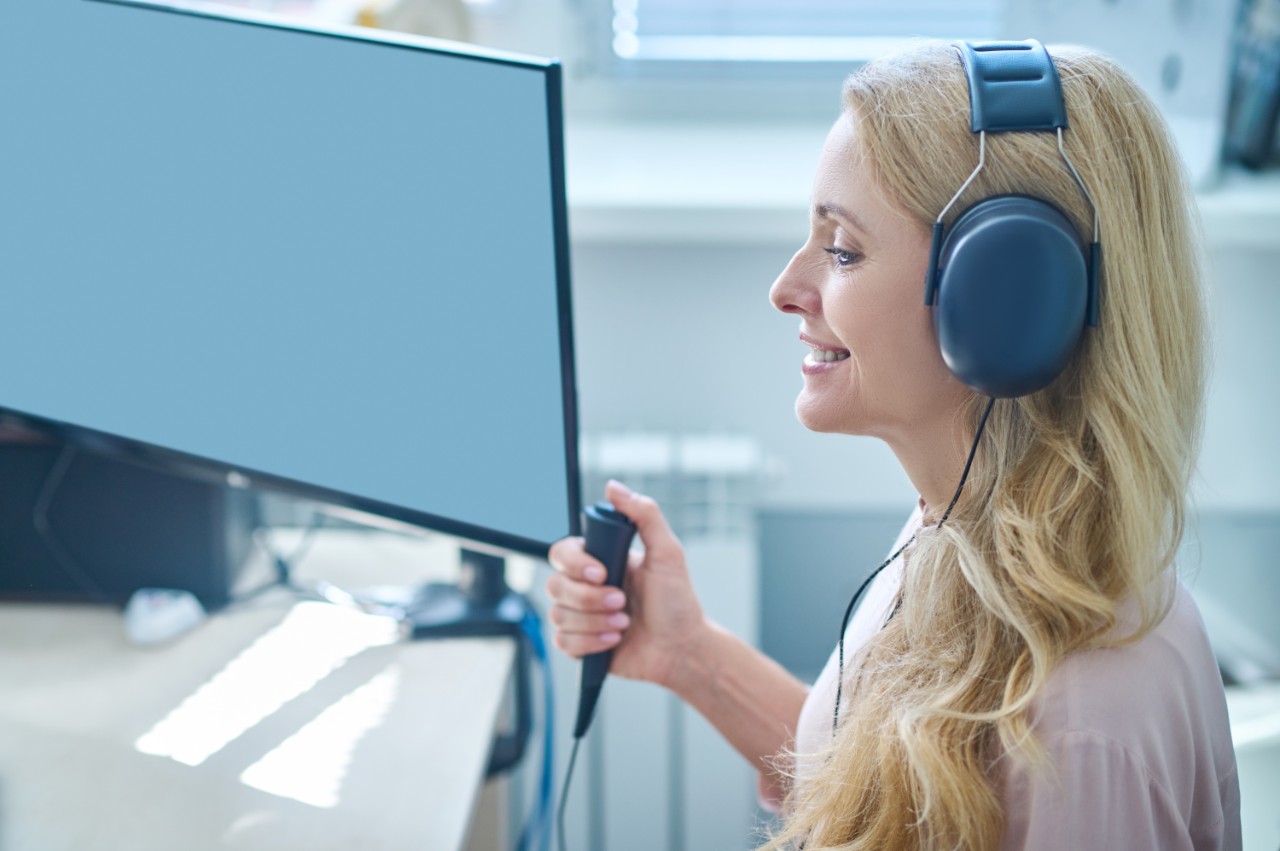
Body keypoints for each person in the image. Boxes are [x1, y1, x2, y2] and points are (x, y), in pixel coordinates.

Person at [546, 39, 1240, 850]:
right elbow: (901, 799)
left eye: (842, 249)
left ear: (1004, 300)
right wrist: (688, 654)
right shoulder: (968, 524)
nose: (786, 289)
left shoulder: (1081, 724)